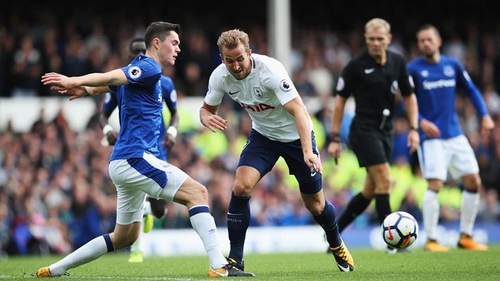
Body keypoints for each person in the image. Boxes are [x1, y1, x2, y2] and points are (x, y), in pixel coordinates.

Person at [38, 21, 254, 278]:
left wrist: (84, 89)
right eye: (174, 43)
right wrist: (75, 79)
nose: (178, 49)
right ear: (156, 43)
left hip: (123, 161)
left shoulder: (143, 72)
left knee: (124, 237)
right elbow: (112, 77)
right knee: (198, 192)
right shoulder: (149, 67)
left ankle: (54, 269)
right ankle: (219, 265)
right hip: (134, 157)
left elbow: (108, 86)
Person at [199, 29, 354, 272]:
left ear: (249, 53)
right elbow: (206, 109)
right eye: (230, 61)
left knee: (316, 206)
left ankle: (335, 242)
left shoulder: (270, 71)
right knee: (240, 185)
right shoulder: (220, 77)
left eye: (240, 58)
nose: (236, 65)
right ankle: (235, 261)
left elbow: (300, 111)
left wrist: (307, 151)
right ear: (222, 59)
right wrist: (206, 117)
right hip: (263, 136)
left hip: (296, 137)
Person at [327, 18, 420, 254]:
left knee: (371, 190)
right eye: (371, 39)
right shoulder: (356, 66)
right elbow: (339, 103)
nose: (376, 43)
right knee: (385, 180)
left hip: (385, 131)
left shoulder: (398, 62)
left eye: (380, 39)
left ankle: (333, 236)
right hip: (363, 131)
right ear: (365, 39)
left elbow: (409, 96)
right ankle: (392, 242)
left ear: (388, 39)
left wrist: (414, 128)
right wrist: (335, 138)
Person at [407, 24, 494, 252]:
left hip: (455, 134)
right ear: (419, 45)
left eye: (429, 39)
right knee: (435, 183)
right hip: (431, 138)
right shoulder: (413, 69)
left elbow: (472, 90)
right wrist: (420, 122)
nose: (425, 43)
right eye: (421, 40)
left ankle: (466, 236)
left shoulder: (452, 65)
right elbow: (405, 101)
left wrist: (484, 116)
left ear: (438, 42)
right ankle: (431, 239)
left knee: (473, 181)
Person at [98, 37, 179, 263]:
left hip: (158, 147)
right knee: (137, 197)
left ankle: (150, 213)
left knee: (160, 209)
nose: (138, 55)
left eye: (141, 51)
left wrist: (172, 132)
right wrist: (106, 129)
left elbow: (176, 113)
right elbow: (102, 113)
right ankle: (136, 251)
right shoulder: (121, 83)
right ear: (129, 56)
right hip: (133, 148)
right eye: (134, 52)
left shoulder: (165, 82)